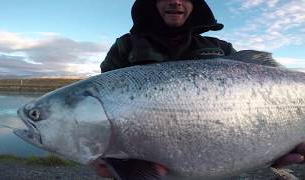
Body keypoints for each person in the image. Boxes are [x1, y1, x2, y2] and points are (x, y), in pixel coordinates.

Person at [93, 0, 305, 178]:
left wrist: (267, 149)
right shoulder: (125, 46)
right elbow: (104, 109)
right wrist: (99, 154)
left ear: (194, 6)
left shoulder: (222, 48)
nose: (176, 1)